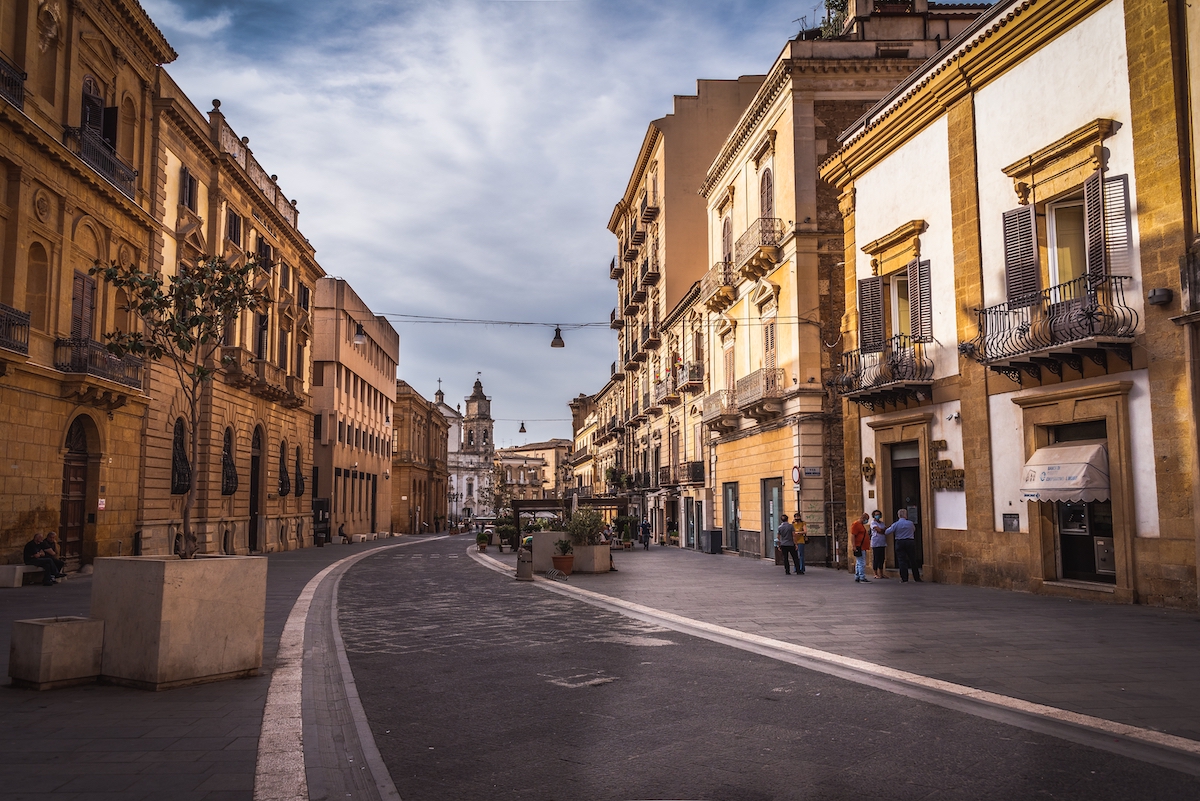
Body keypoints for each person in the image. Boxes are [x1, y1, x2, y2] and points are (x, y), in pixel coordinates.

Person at [886, 508, 922, 583]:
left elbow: (887, 532)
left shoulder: (896, 524)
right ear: (906, 515)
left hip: (900, 542)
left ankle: (904, 578)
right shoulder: (910, 523)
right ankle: (917, 577)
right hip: (910, 541)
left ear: (898, 516)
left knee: (902, 560)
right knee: (913, 559)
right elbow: (913, 529)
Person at [851, 513, 870, 583]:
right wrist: (854, 546)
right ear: (863, 518)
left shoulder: (861, 525)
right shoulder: (856, 524)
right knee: (862, 562)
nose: (867, 521)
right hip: (859, 546)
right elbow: (853, 535)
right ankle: (862, 577)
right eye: (867, 519)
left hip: (862, 546)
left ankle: (858, 576)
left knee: (859, 562)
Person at [869, 510, 888, 579]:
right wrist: (882, 530)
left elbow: (885, 530)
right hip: (876, 543)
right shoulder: (873, 523)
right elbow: (879, 530)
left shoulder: (882, 523)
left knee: (882, 558)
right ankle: (875, 573)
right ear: (873, 515)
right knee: (876, 558)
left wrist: (882, 530)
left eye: (879, 514)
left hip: (882, 543)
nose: (878, 516)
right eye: (876, 514)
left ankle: (881, 573)